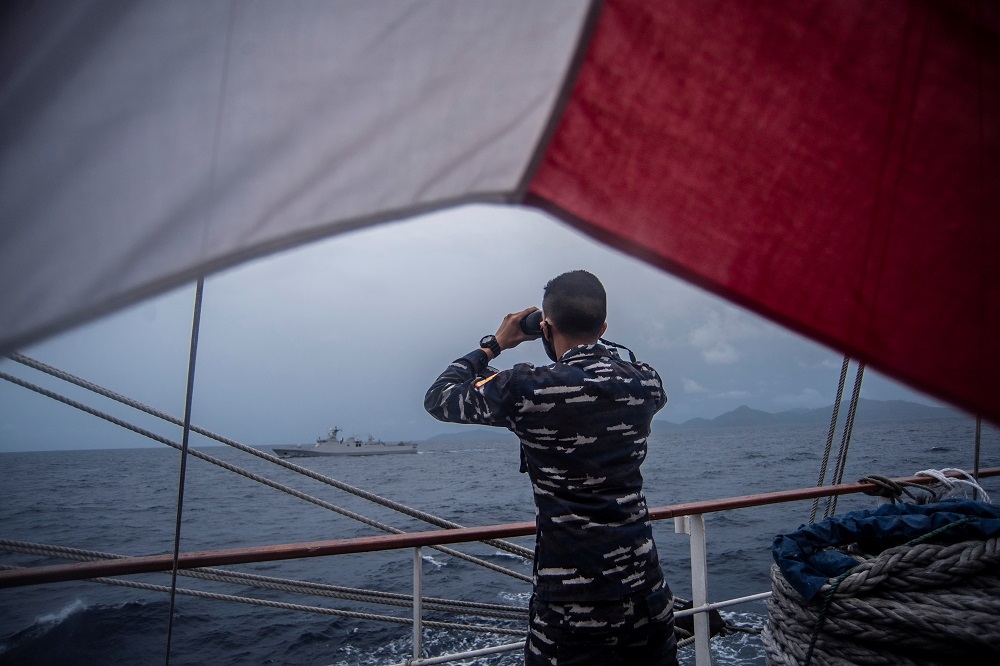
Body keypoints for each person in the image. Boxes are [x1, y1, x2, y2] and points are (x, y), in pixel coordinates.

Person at [424, 270, 678, 666]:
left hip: (571, 606)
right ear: (604, 327)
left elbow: (439, 397)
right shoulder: (645, 382)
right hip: (647, 592)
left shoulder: (525, 387)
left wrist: (494, 345)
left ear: (545, 328)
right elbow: (612, 377)